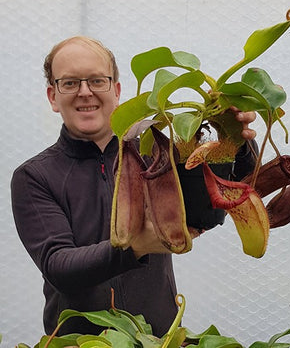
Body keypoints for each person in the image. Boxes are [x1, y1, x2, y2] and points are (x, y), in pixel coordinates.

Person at [10, 36, 257, 338]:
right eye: (70, 83)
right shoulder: (35, 176)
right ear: (52, 96)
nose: (85, 92)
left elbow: (227, 186)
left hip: (159, 341)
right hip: (82, 344)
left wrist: (236, 138)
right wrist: (135, 247)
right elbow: (59, 266)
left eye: (97, 80)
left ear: (116, 91)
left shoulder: (157, 155)